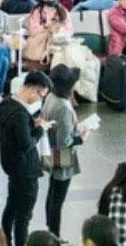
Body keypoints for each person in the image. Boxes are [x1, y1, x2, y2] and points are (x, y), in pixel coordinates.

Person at [0, 70, 52, 246]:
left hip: (12, 166)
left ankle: (6, 241)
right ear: (33, 90)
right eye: (41, 95)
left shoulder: (5, 105)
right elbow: (27, 144)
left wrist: (29, 125)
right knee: (24, 215)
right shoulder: (20, 114)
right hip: (25, 169)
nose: (40, 100)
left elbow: (16, 132)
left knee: (11, 206)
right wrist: (41, 128)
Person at [40, 65, 89, 239]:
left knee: (52, 191)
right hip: (62, 157)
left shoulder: (50, 97)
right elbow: (64, 142)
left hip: (49, 151)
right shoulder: (64, 108)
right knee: (58, 198)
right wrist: (82, 137)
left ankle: (49, 229)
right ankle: (55, 235)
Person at [24, 0, 73, 65]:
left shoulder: (63, 11)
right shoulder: (37, 12)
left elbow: (70, 29)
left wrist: (59, 30)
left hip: (59, 41)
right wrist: (46, 28)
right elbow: (32, 31)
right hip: (40, 43)